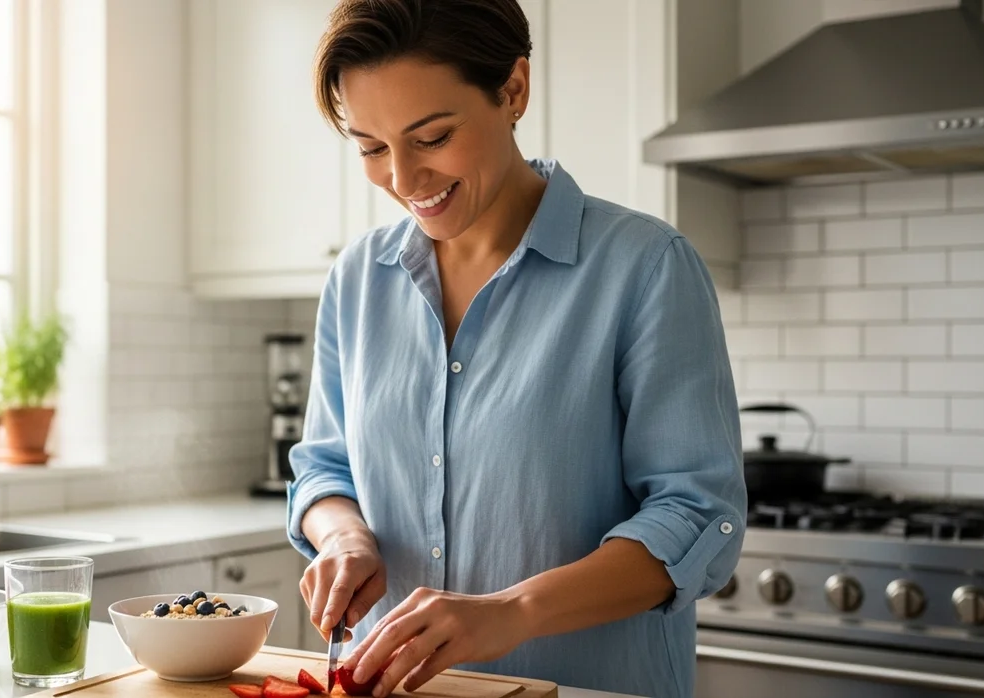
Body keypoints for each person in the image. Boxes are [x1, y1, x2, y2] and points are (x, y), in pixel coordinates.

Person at [285, 1, 746, 697]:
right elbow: (323, 470)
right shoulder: (356, 280)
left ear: (513, 91)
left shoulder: (646, 267)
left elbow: (693, 515)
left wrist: (513, 612)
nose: (404, 181)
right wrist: (345, 538)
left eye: (432, 137)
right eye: (372, 148)